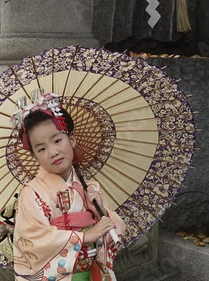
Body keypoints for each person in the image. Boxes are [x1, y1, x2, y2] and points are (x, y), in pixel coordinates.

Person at [12, 91, 126, 281]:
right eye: (41, 148)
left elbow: (114, 229)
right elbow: (32, 240)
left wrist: (99, 211)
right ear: (35, 156)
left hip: (89, 270)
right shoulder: (32, 193)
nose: (53, 152)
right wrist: (84, 238)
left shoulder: (88, 187)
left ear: (71, 140)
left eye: (57, 140)